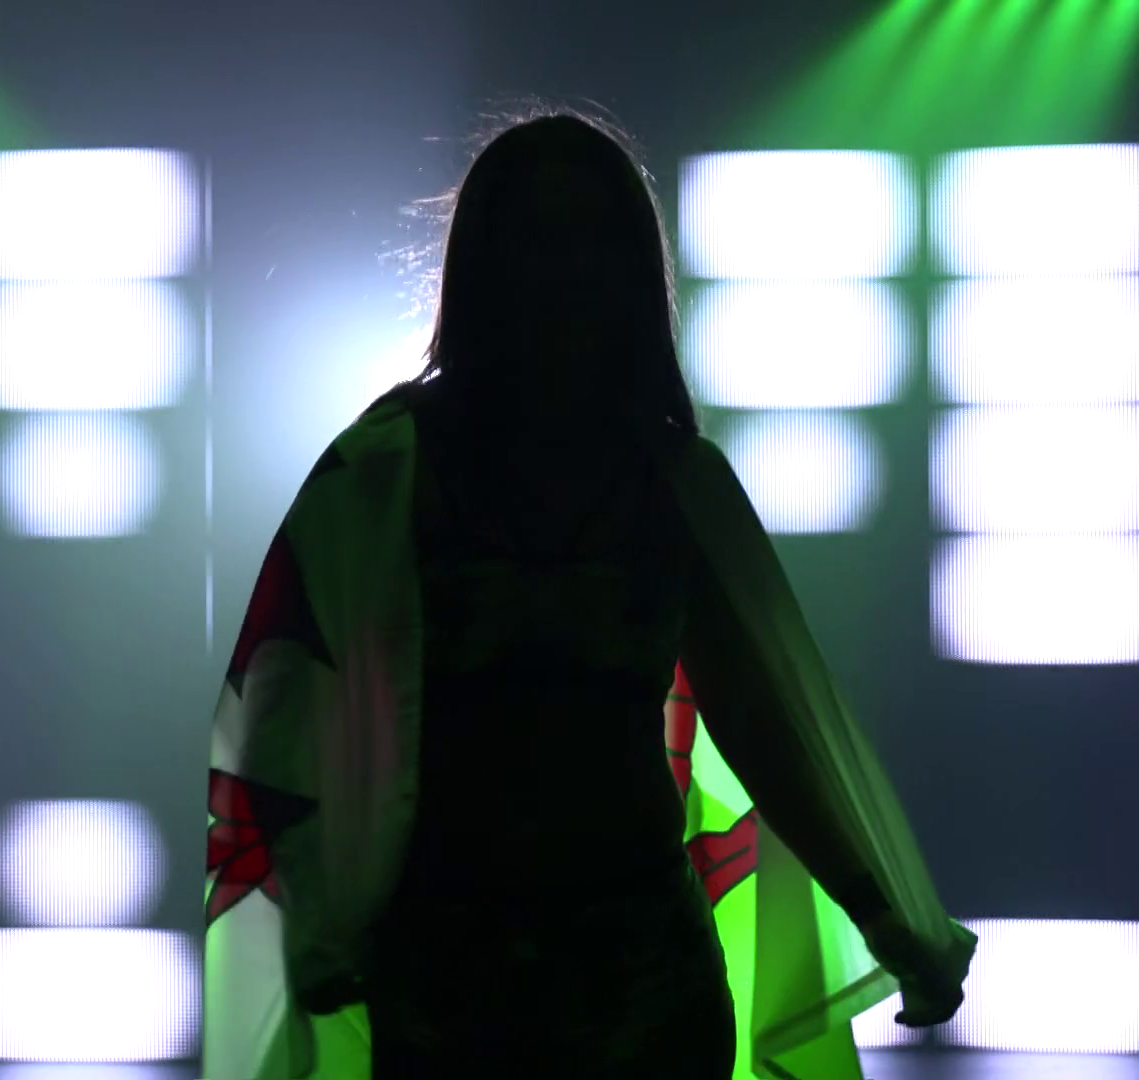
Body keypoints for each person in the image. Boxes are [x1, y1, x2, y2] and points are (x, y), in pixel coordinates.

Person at [203, 107, 975, 1080]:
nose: (564, 272)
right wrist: (320, 912)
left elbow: (762, 718)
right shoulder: (380, 478)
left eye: (590, 241)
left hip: (642, 976)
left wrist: (882, 912)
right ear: (487, 264)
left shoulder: (674, 485)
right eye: (537, 238)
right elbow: (284, 710)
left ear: (630, 270)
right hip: (447, 981)